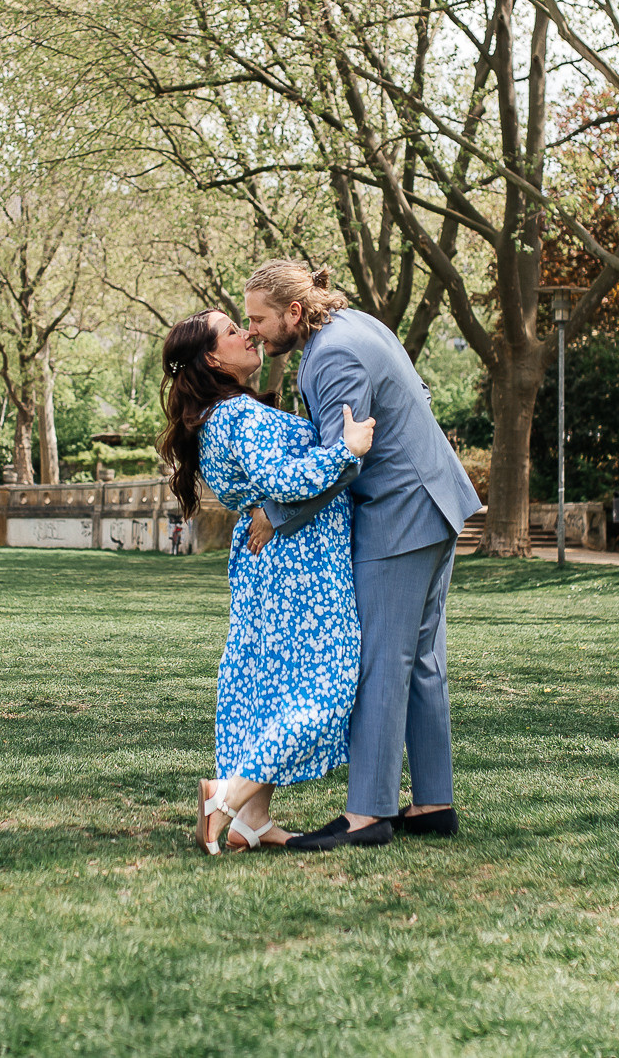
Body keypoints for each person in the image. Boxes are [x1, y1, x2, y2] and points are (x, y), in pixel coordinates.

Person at [243, 260, 483, 851]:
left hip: (401, 515)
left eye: (259, 319)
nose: (254, 333)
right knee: (421, 659)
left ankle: (368, 815)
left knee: (381, 661)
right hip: (433, 503)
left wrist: (274, 515)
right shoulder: (355, 324)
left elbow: (343, 457)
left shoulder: (332, 355)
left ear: (294, 312)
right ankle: (432, 804)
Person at [162, 308, 375, 854]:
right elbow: (284, 478)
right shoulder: (234, 416)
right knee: (327, 687)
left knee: (267, 691)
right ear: (213, 358)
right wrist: (345, 451)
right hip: (298, 566)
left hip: (274, 563)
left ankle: (251, 822)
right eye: (234, 330)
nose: (248, 333)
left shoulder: (224, 413)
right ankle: (227, 798)